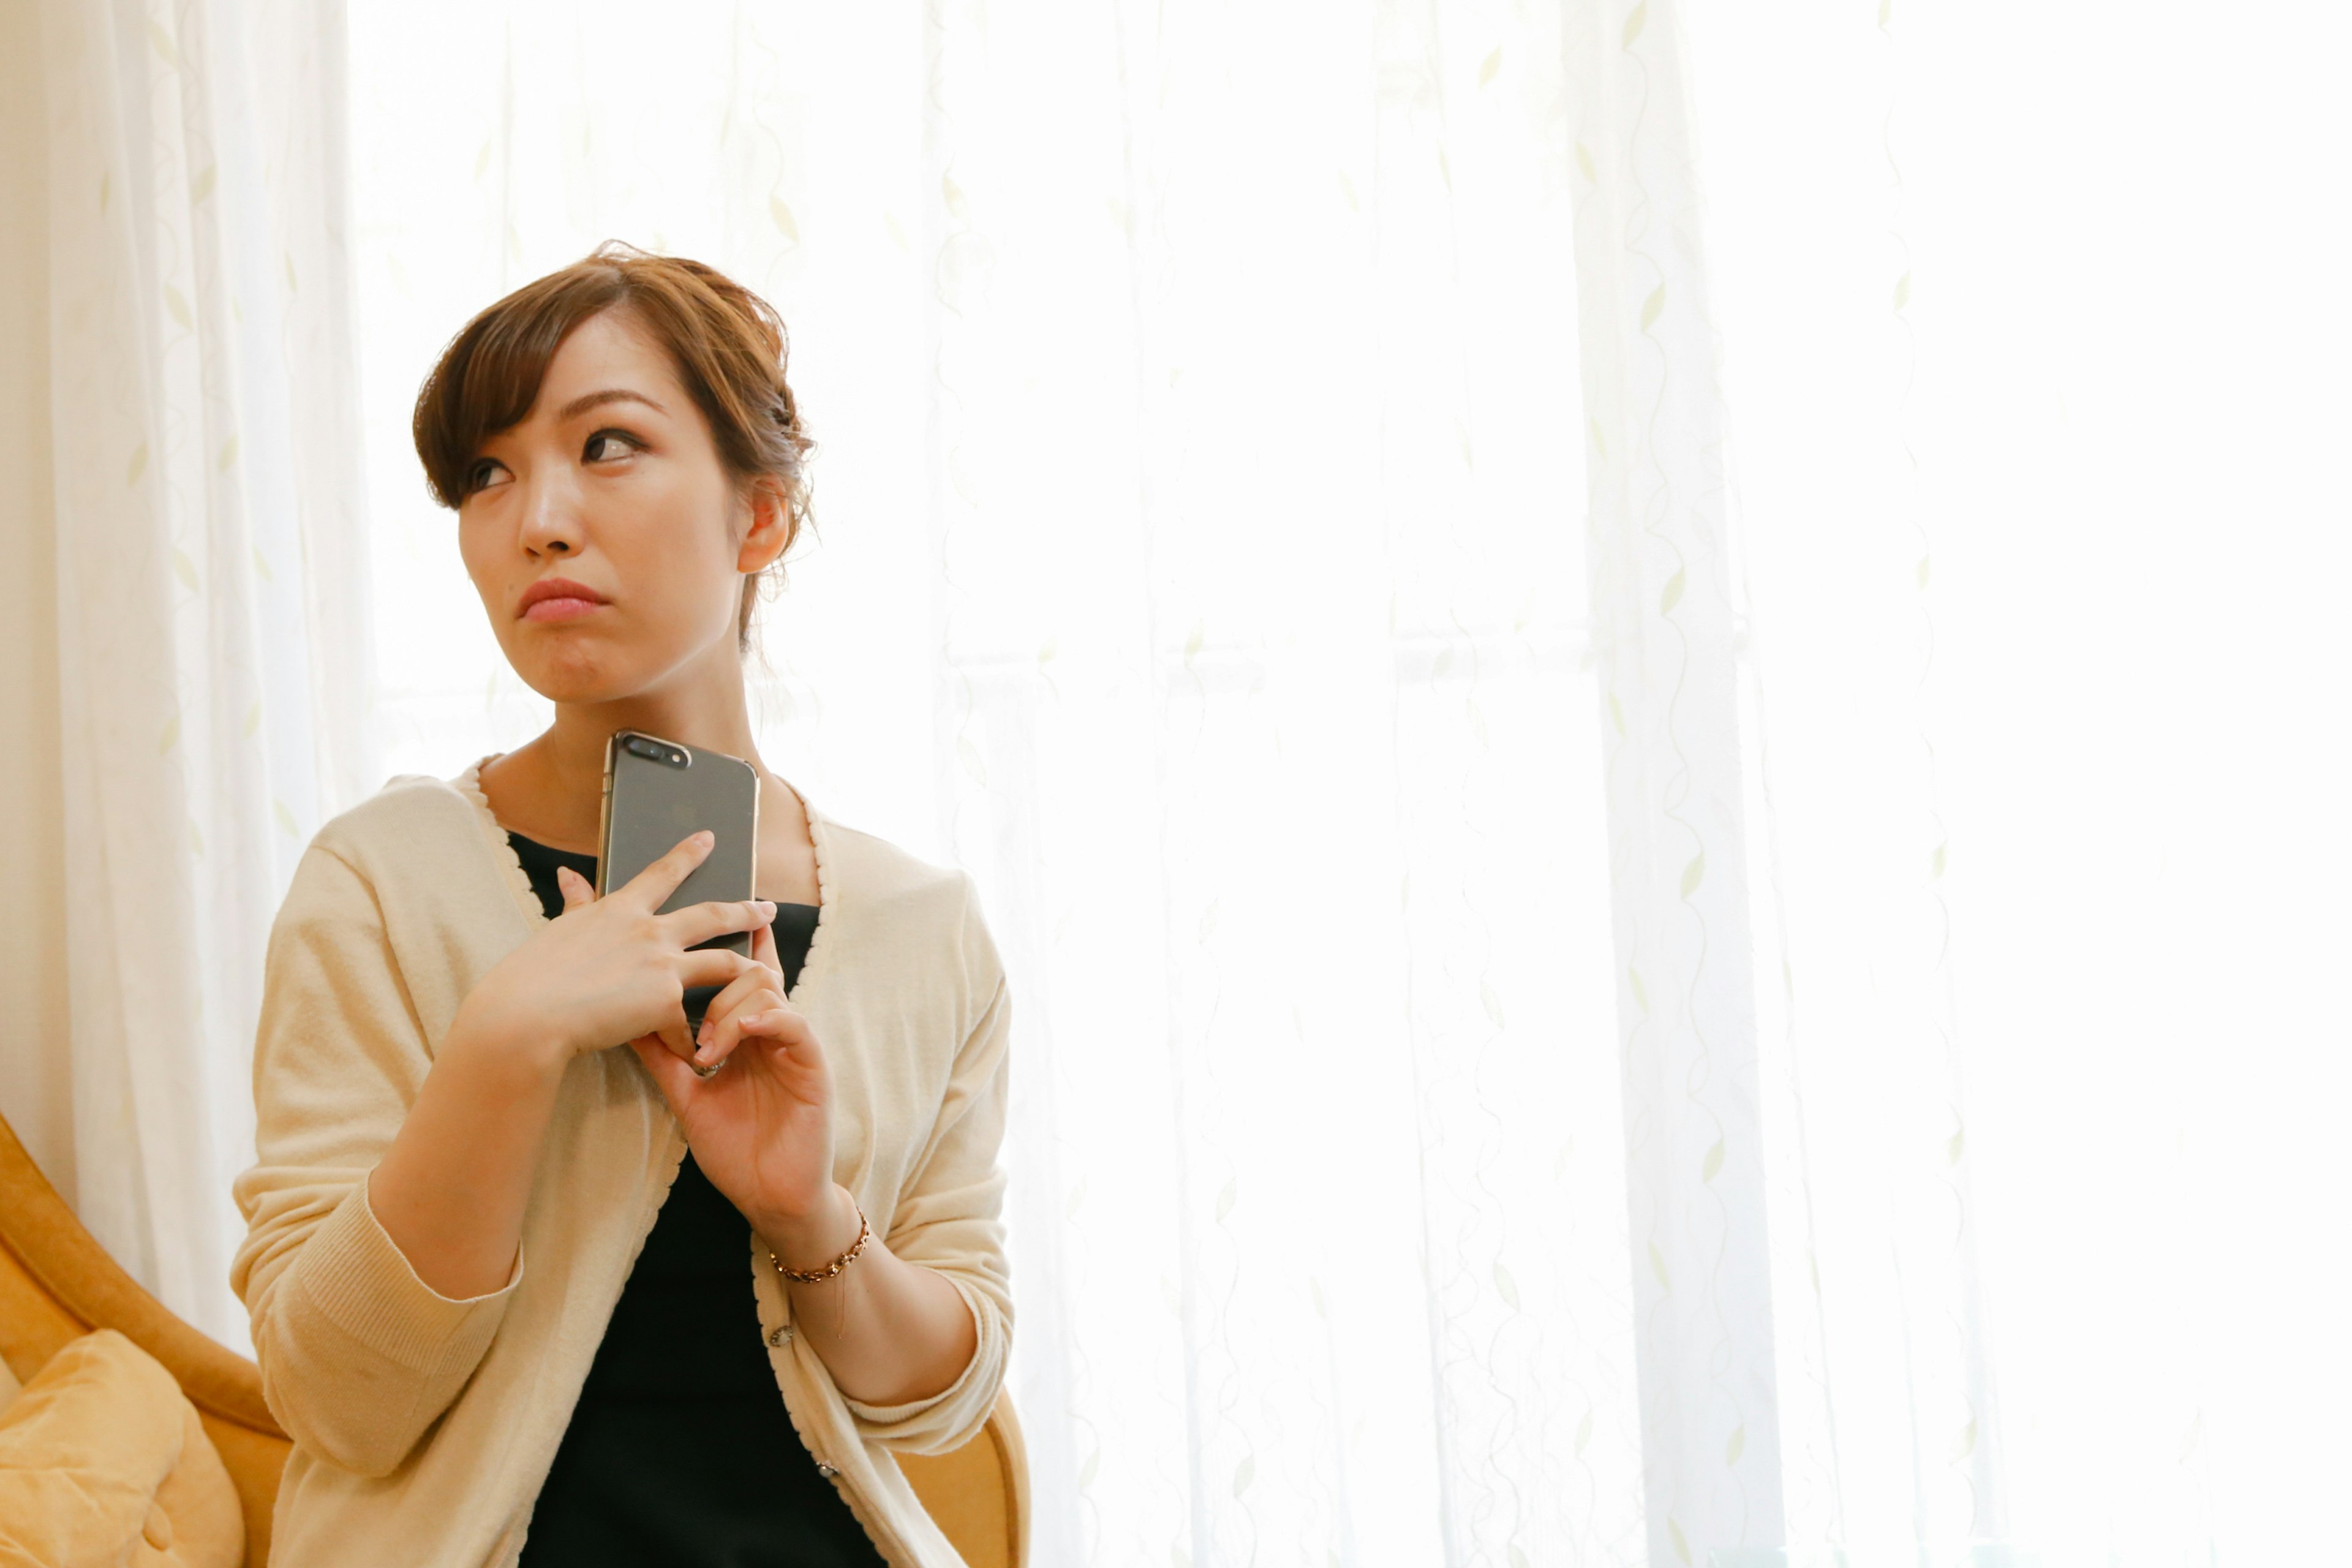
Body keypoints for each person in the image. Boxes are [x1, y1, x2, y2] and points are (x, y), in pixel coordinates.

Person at [230, 245, 1013, 1568]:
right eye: (485, 472)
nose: (537, 516)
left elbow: (942, 1395)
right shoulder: (379, 880)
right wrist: (505, 1042)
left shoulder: (921, 925)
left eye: (607, 444)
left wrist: (810, 1215)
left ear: (757, 517)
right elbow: (336, 1399)